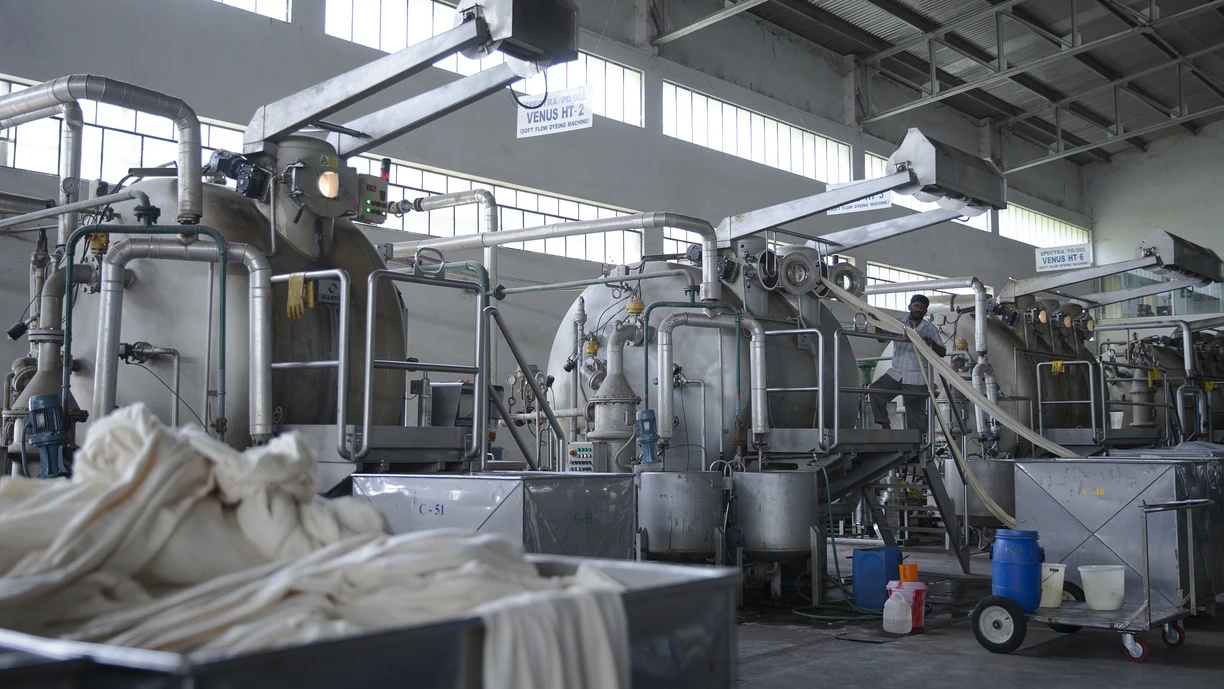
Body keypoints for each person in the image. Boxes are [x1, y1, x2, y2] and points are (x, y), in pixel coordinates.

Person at [870, 294, 947, 431]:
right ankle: (885, 425)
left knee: (916, 416)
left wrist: (931, 344)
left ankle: (919, 446)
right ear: (909, 307)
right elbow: (881, 338)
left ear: (925, 312)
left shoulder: (930, 329)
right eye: (916, 306)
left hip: (917, 377)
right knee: (875, 391)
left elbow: (942, 352)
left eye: (922, 307)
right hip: (896, 373)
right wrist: (877, 322)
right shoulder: (898, 324)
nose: (919, 309)